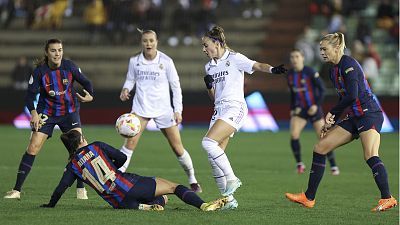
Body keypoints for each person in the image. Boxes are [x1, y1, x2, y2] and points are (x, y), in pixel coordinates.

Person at [285, 32, 397, 212]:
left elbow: (353, 95)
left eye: (324, 49)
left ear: (336, 48)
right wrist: (333, 120)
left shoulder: (349, 65)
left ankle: (387, 198)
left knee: (370, 154)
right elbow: (345, 98)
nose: (321, 52)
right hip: (354, 116)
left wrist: (333, 112)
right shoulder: (333, 70)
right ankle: (309, 197)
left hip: (369, 114)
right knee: (320, 148)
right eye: (320, 49)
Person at [201, 25, 287, 209]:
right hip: (219, 109)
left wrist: (272, 70)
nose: (204, 49)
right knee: (213, 156)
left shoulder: (235, 58)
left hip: (235, 107)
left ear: (216, 43)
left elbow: (256, 65)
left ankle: (232, 178)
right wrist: (209, 87)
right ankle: (229, 200)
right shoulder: (208, 66)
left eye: (206, 45)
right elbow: (214, 97)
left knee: (208, 143)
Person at [40, 130, 227, 211]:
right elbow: (122, 158)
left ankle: (143, 207)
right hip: (129, 185)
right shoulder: (96, 147)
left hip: (118, 202)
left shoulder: (73, 164)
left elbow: (61, 187)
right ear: (82, 140)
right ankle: (204, 206)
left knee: (162, 200)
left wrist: (50, 205)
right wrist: (111, 166)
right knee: (173, 187)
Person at [4, 38, 94, 200]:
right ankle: (16, 190)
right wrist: (33, 113)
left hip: (69, 112)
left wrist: (90, 95)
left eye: (60, 50)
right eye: (53, 50)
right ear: (46, 53)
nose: (57, 53)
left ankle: (81, 188)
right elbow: (30, 96)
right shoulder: (40, 72)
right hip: (47, 113)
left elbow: (87, 82)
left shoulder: (70, 67)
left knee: (80, 147)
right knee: (33, 147)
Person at [119, 29, 202, 192]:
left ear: (156, 42)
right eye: (145, 41)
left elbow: (176, 86)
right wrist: (125, 89)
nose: (148, 44)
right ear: (141, 42)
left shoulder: (166, 61)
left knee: (177, 147)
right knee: (130, 143)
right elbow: (130, 79)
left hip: (164, 110)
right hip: (141, 108)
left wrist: (178, 110)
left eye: (151, 41)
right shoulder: (134, 61)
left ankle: (193, 180)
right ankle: (117, 177)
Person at [287, 49, 339, 175]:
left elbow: (322, 90)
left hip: (314, 108)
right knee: (294, 134)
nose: (294, 59)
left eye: (297, 56)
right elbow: (293, 94)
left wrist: (316, 105)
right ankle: (300, 164)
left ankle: (333, 166)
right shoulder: (289, 75)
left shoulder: (310, 72)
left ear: (303, 58)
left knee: (323, 137)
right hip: (301, 110)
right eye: (292, 57)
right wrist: (293, 108)